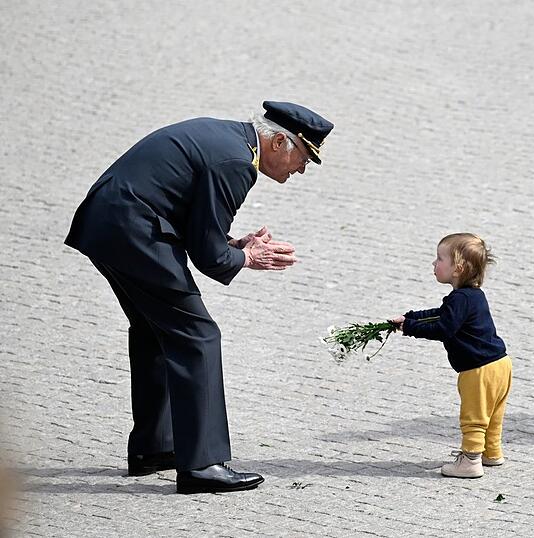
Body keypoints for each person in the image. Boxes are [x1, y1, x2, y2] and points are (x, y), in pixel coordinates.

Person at [65, 101, 333, 493]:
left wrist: (234, 244)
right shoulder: (237, 163)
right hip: (135, 231)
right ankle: (202, 465)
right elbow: (209, 256)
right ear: (279, 142)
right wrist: (246, 256)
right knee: (198, 336)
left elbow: (197, 225)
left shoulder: (228, 140)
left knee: (155, 330)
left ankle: (155, 448)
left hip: (110, 222)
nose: (302, 169)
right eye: (304, 158)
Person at [391, 233, 512, 478]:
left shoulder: (459, 299)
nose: (434, 264)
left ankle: (470, 461)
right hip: (501, 364)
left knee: (474, 417)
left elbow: (444, 328)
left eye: (439, 259)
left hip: (478, 370)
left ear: (457, 268)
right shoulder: (473, 295)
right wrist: (412, 317)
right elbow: (442, 314)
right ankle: (491, 453)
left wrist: (410, 328)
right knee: (493, 413)